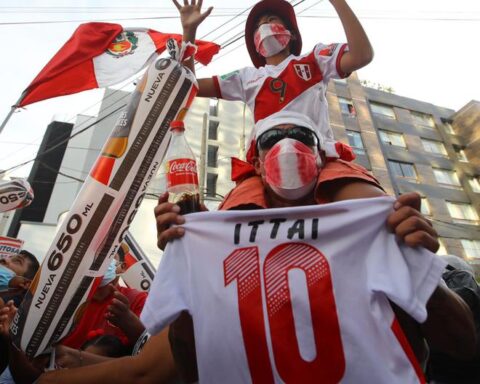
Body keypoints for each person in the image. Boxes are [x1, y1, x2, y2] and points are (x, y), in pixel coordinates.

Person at [153, 111, 475, 381]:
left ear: (321, 157)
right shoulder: (219, 245)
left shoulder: (373, 225)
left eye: (301, 136)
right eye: (271, 140)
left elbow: (463, 344)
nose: (287, 145)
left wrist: (414, 260)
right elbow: (194, 368)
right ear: (257, 163)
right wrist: (187, 269)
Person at [175, 0, 372, 173]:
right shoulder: (246, 78)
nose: (264, 27)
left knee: (370, 201)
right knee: (235, 211)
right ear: (255, 43)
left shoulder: (315, 59)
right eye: (258, 26)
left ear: (291, 34)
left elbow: (362, 55)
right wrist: (189, 33)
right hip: (267, 168)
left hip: (321, 161)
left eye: (271, 19)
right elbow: (190, 86)